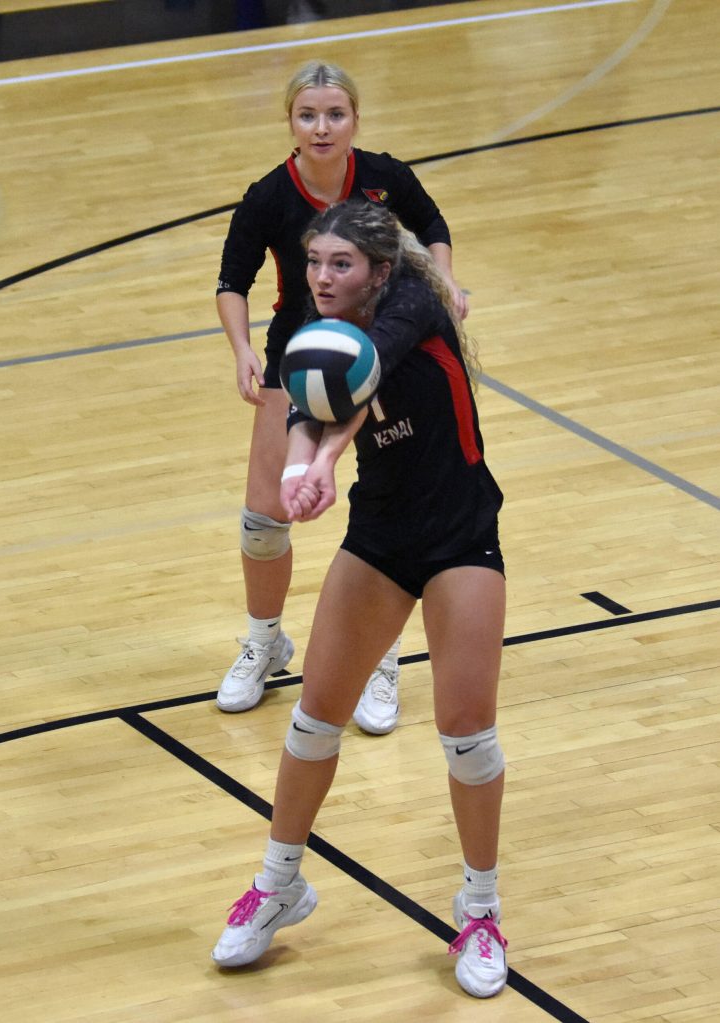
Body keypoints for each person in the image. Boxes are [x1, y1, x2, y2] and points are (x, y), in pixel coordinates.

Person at [211, 201, 508, 999]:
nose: (321, 277)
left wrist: (329, 460)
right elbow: (312, 407)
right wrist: (294, 473)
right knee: (314, 720)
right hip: (380, 538)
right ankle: (279, 885)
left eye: (339, 264)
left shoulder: (414, 299)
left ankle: (479, 909)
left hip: (458, 536)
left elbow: (357, 378)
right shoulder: (321, 316)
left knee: (465, 732)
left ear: (378, 268)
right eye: (314, 263)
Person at [215, 60, 468, 733]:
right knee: (264, 522)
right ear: (290, 123)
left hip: (388, 360)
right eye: (307, 115)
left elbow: (434, 226)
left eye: (334, 114)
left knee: (389, 513)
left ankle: (380, 661)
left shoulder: (385, 178)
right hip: (299, 362)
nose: (321, 127)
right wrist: (242, 350)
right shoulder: (270, 195)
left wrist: (446, 284)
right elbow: (230, 282)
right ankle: (265, 640)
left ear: (354, 119)